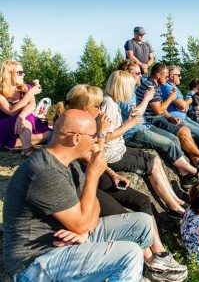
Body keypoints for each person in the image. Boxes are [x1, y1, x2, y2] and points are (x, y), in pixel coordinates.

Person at [54, 84, 188, 279]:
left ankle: (158, 253)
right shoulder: (76, 130)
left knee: (141, 200)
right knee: (121, 214)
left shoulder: (85, 124)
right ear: (86, 108)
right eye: (98, 105)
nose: (101, 109)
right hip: (85, 183)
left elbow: (96, 160)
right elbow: (95, 157)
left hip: (97, 175)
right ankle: (151, 261)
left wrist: (112, 173)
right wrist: (101, 133)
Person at [2, 109, 154, 281]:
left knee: (142, 222)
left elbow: (93, 207)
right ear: (76, 138)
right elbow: (81, 222)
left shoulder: (69, 164)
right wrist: (92, 175)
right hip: (36, 262)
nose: (97, 140)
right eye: (93, 135)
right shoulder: (44, 170)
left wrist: (85, 233)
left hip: (68, 243)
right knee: (129, 254)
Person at [102, 70, 188, 216]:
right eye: (129, 87)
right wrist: (129, 124)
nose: (130, 91)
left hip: (119, 148)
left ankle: (175, 199)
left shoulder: (112, 102)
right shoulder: (108, 104)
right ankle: (173, 207)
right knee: (151, 167)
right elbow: (106, 137)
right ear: (122, 87)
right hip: (112, 155)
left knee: (154, 159)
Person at [117, 60, 198, 177]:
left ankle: (184, 173)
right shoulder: (124, 93)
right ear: (127, 75)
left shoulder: (133, 91)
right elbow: (138, 114)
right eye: (137, 73)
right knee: (170, 142)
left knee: (174, 139)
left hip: (144, 125)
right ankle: (194, 170)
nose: (141, 75)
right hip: (133, 132)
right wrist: (149, 98)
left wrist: (169, 117)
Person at [136, 63, 199, 167]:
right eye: (166, 76)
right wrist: (171, 98)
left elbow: (160, 107)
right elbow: (159, 111)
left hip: (161, 117)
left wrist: (170, 117)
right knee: (182, 132)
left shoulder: (156, 86)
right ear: (158, 75)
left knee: (186, 130)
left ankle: (197, 162)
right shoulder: (150, 87)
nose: (167, 78)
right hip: (154, 120)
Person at [0, 60, 51, 156]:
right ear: (8, 74)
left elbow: (31, 105)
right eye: (19, 73)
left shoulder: (26, 87)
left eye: (23, 72)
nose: (23, 75)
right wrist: (30, 93)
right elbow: (11, 111)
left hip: (22, 122)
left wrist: (22, 116)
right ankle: (27, 148)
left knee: (51, 133)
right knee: (26, 117)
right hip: (4, 125)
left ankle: (11, 144)